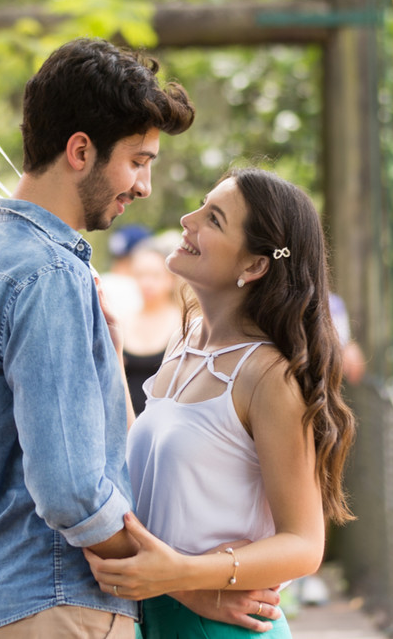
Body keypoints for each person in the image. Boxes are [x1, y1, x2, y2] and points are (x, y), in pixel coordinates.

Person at [0, 38, 276, 639]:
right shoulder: (51, 272)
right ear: (81, 150)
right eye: (138, 160)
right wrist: (186, 584)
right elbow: (71, 489)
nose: (144, 186)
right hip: (59, 602)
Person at [85, 167, 357, 638]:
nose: (188, 220)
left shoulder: (267, 376)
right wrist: (112, 356)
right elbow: (144, 469)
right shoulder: (184, 342)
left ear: (253, 266)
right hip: (154, 617)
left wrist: (184, 576)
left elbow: (305, 544)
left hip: (221, 627)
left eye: (213, 219)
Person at [122, 233, 184, 416]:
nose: (146, 283)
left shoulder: (185, 325)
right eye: (141, 275)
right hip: (125, 426)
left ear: (171, 279)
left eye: (155, 276)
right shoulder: (122, 321)